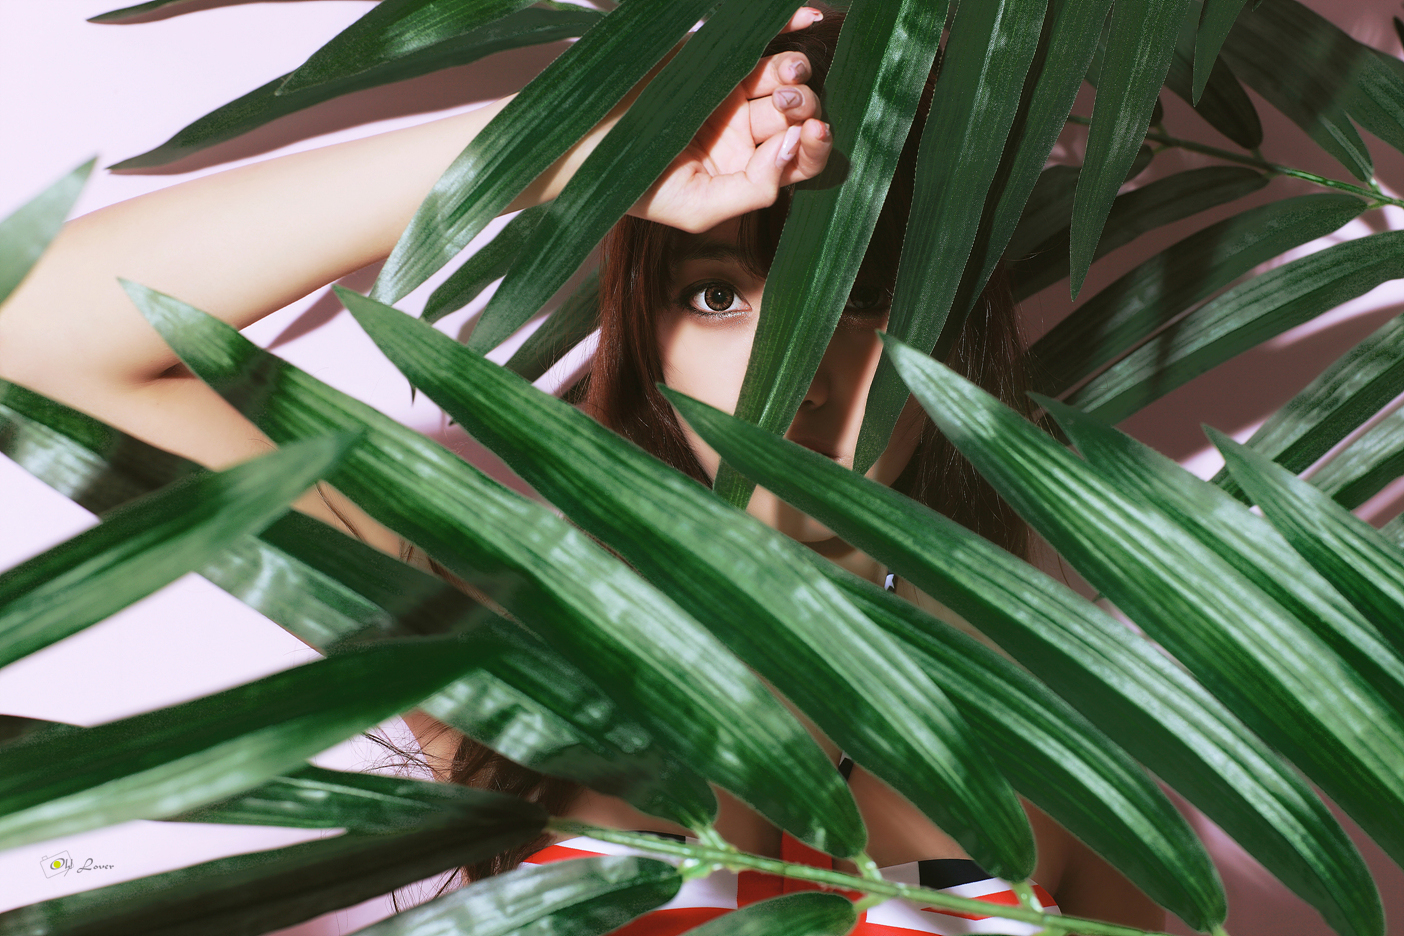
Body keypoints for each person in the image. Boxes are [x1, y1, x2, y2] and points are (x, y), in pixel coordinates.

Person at [0, 5, 1163, 933]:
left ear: (947, 336)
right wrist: (583, 146)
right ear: (642, 342)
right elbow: (33, 341)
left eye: (858, 300)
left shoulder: (1070, 736)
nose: (796, 374)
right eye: (717, 297)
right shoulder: (521, 635)